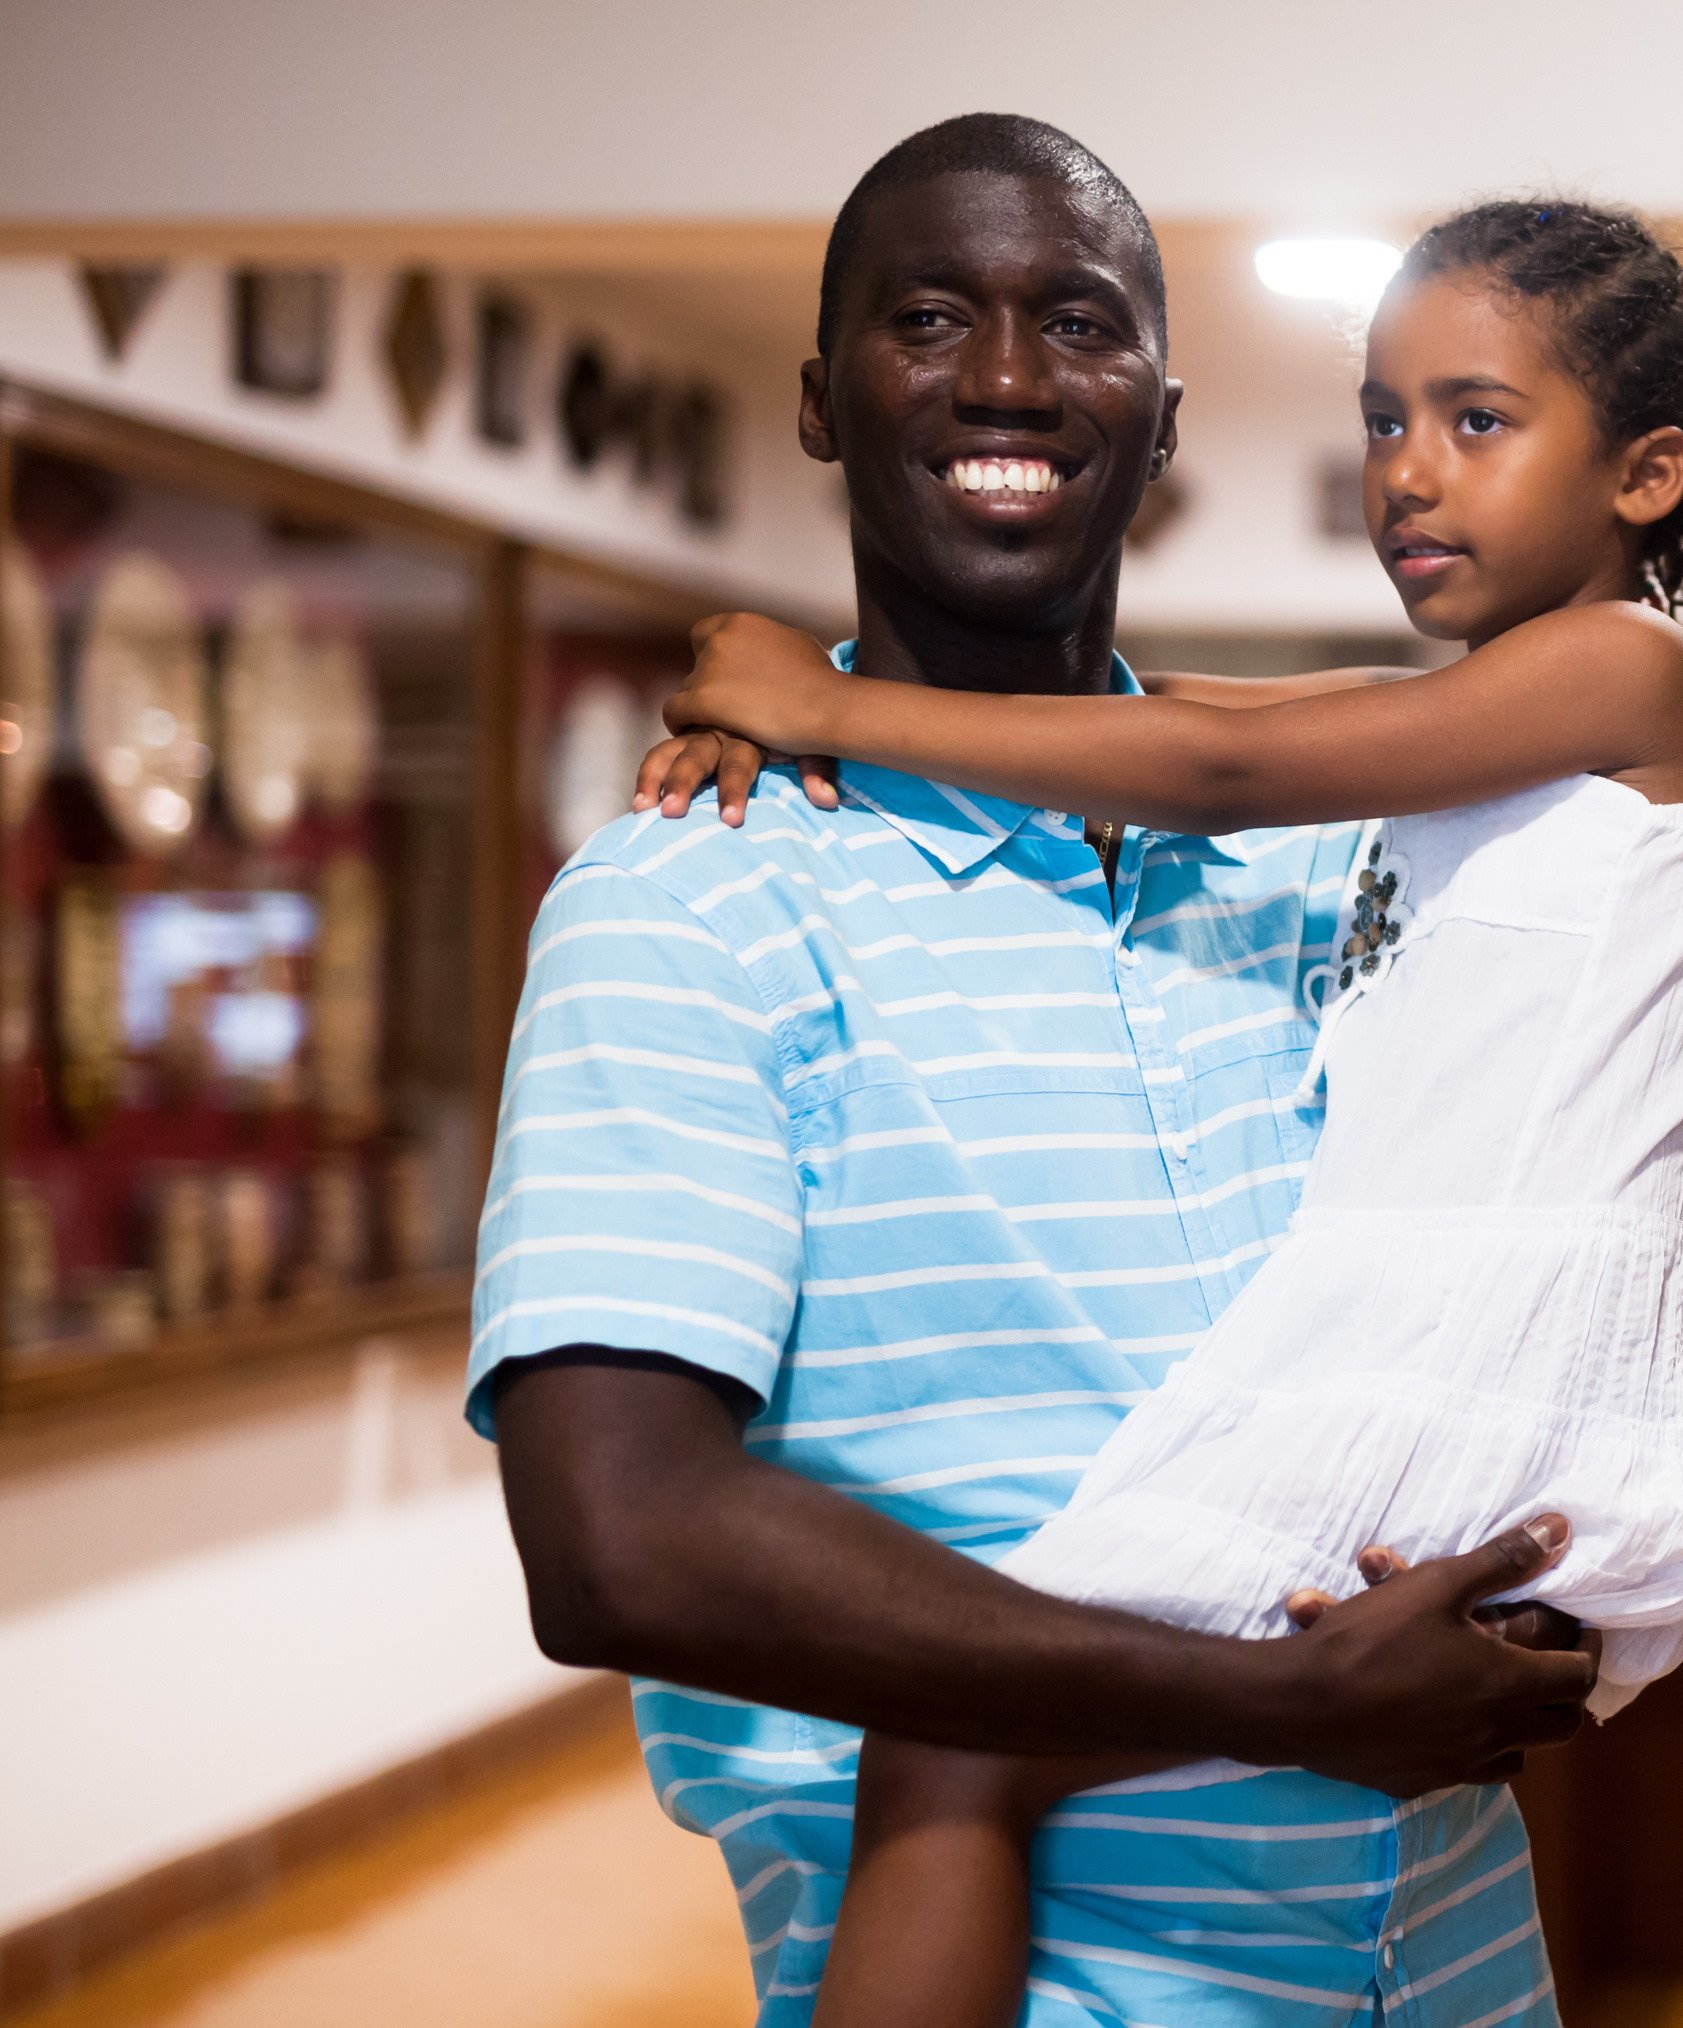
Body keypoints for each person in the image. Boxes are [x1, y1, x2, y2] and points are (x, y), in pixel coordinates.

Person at [473, 116, 1604, 2028]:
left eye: (1076, 325)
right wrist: (1266, 1703)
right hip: (1037, 1981)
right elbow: (620, 1541)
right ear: (826, 401)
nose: (1006, 378)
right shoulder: (692, 899)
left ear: (1163, 417)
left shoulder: (1325, 866)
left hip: (1462, 1964)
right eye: (931, 319)